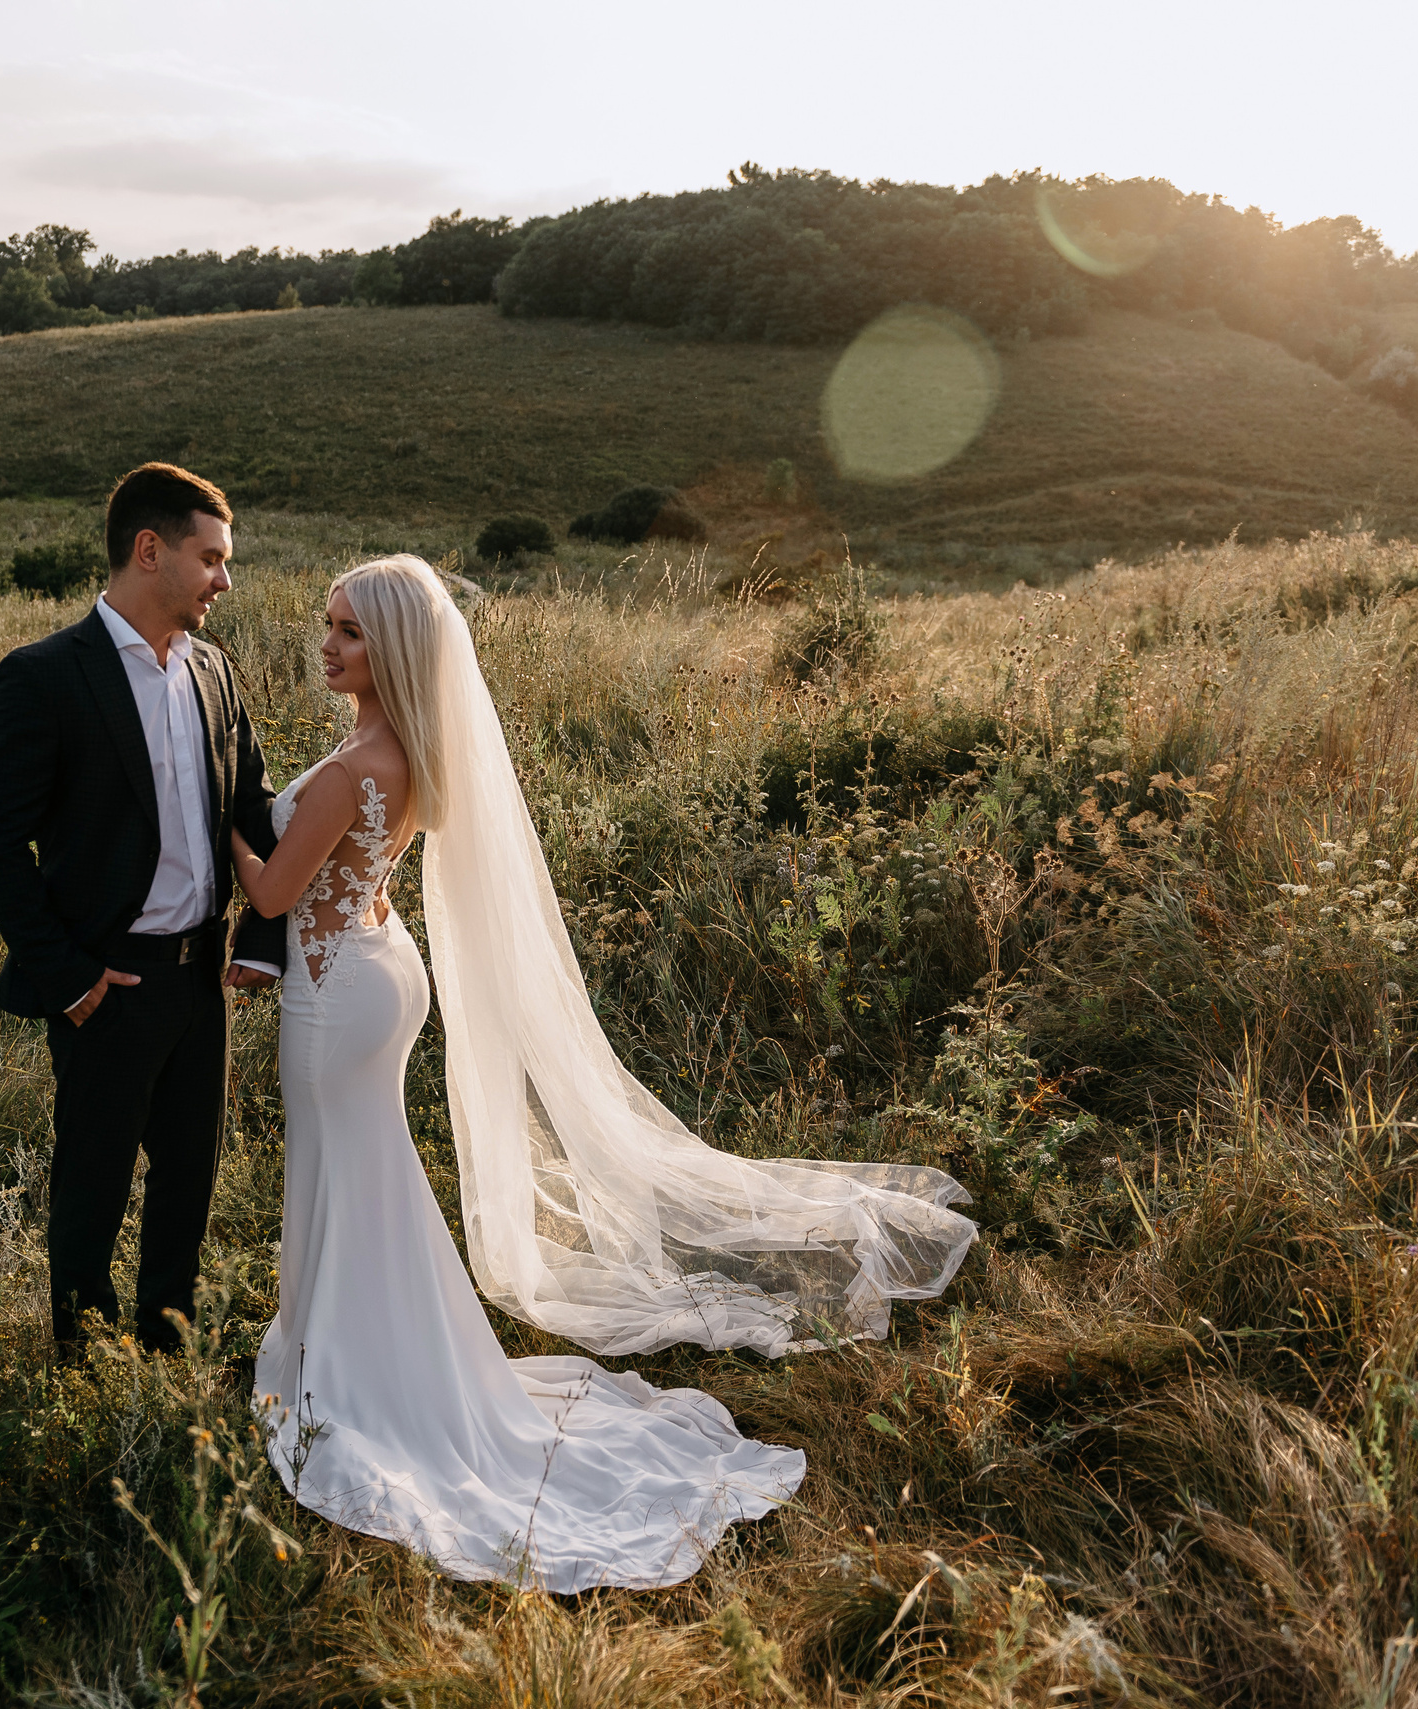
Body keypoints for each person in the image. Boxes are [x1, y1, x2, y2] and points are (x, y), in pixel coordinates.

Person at [230, 555, 977, 1592]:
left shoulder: (362, 764)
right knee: (370, 1173)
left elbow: (270, 893)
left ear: (391, 647)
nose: (328, 644)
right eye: (329, 624)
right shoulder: (394, 748)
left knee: (345, 1172)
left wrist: (215, 812)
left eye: (349, 630)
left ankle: (354, 1372)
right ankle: (360, 1351)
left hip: (335, 988)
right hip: (378, 966)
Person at [0, 463, 285, 1355]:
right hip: (108, 981)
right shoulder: (43, 677)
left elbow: (253, 810)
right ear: (151, 551)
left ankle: (167, 1350)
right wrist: (66, 976)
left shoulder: (214, 671)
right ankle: (83, 1368)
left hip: (200, 977)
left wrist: (261, 937)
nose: (225, 579)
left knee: (190, 1183)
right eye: (211, 557)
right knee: (93, 1187)